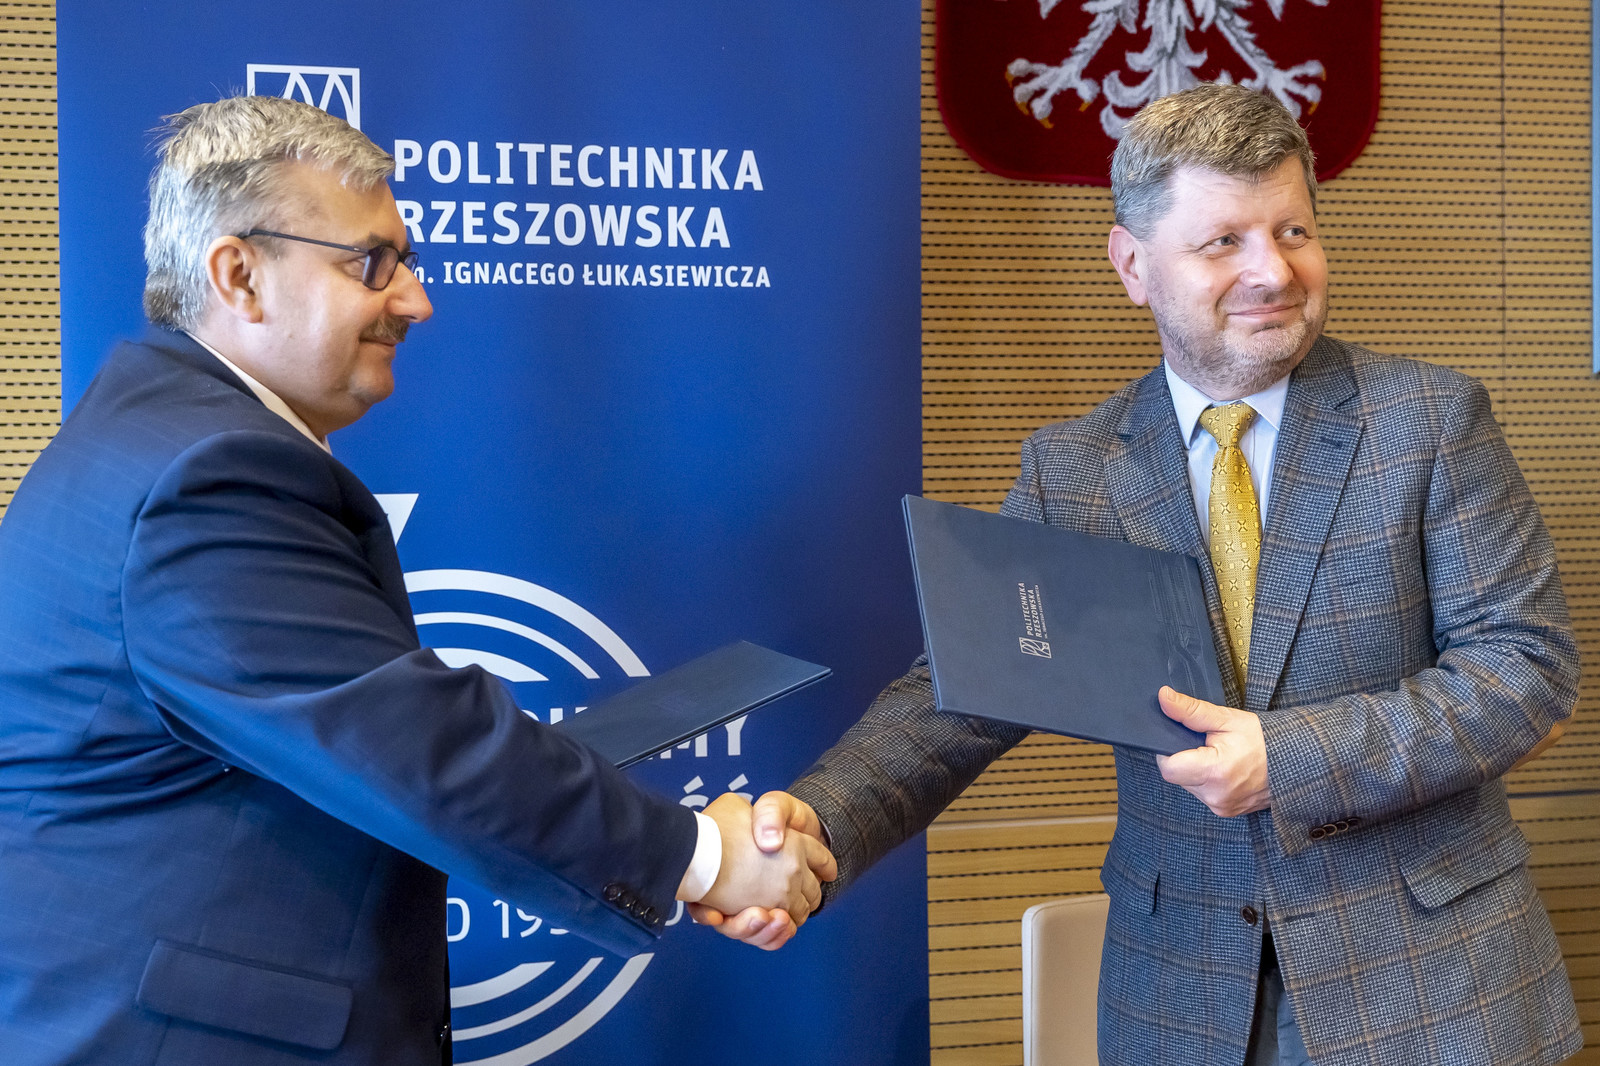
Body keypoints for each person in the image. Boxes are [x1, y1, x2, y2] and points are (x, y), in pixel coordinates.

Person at [698, 84, 1582, 1065]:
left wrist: (1289, 756)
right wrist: (818, 828)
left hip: (1437, 995)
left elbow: (1525, 671)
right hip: (1181, 1004)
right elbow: (963, 691)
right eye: (1223, 241)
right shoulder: (1073, 468)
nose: (1271, 270)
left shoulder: (1431, 421)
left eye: (1292, 230)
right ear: (1133, 265)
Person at [0, 95, 831, 1066]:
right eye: (372, 264)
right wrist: (707, 857)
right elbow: (411, 741)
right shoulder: (209, 475)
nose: (415, 301)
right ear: (239, 275)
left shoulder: (150, 432)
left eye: (408, 261)